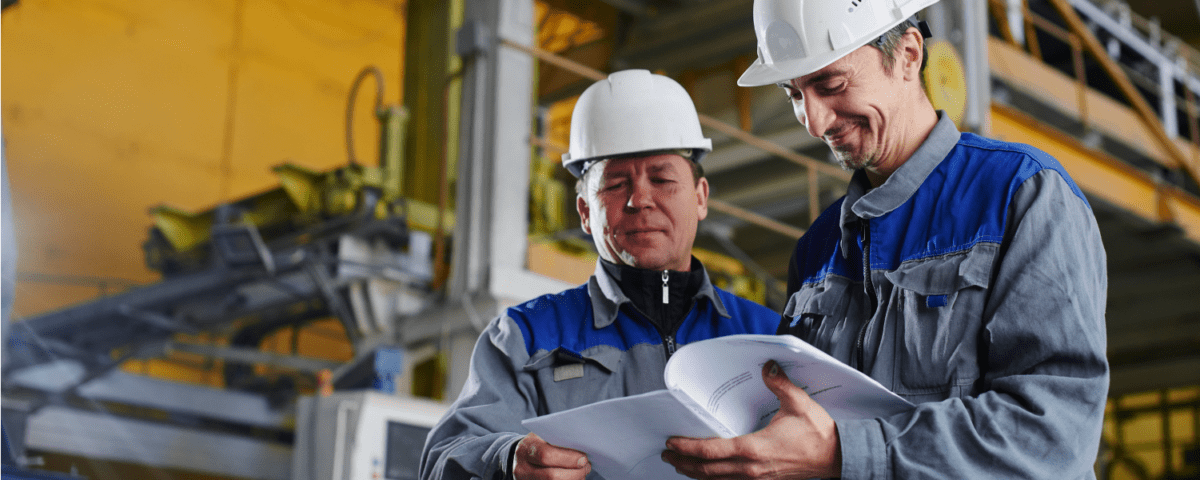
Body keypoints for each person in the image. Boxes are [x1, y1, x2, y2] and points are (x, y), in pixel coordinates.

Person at [661, 1, 1109, 479]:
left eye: (830, 85)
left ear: (908, 56)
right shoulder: (817, 247)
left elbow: (1052, 436)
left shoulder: (1022, 195)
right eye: (793, 93)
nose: (814, 121)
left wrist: (843, 453)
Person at [420, 69, 781, 480]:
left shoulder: (770, 335)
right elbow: (442, 460)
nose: (639, 199)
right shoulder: (525, 338)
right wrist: (508, 459)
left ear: (700, 198)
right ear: (585, 212)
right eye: (614, 184)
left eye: (662, 179)